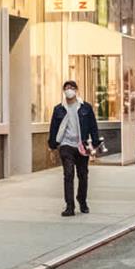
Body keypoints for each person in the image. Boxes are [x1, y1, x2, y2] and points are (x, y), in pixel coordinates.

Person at [47, 80, 103, 217]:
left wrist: (95, 143)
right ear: (63, 91)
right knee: (68, 174)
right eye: (67, 88)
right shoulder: (59, 109)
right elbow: (53, 128)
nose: (69, 90)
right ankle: (69, 206)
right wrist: (52, 146)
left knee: (83, 175)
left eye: (72, 87)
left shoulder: (85, 108)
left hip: (81, 145)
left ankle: (82, 200)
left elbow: (93, 126)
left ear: (76, 90)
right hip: (66, 145)